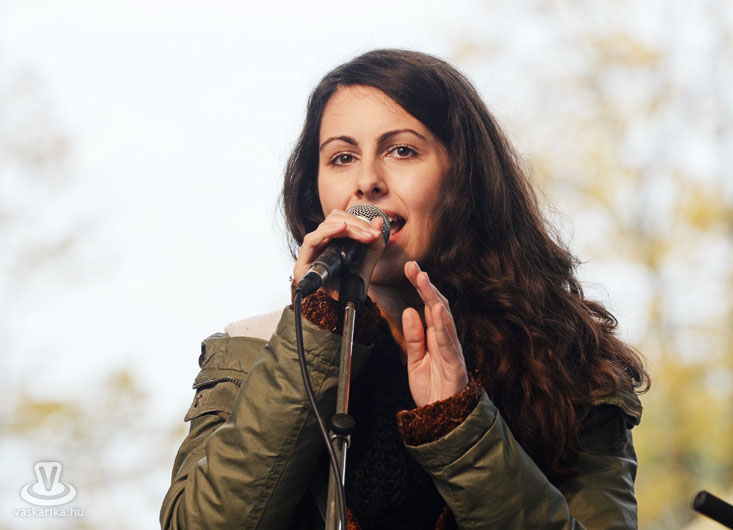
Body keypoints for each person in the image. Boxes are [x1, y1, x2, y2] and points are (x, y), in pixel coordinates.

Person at [160, 49, 650, 530]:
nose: (367, 182)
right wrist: (315, 335)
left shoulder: (568, 364)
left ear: (465, 177)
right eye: (342, 157)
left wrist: (458, 425)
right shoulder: (251, 350)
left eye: (401, 151)